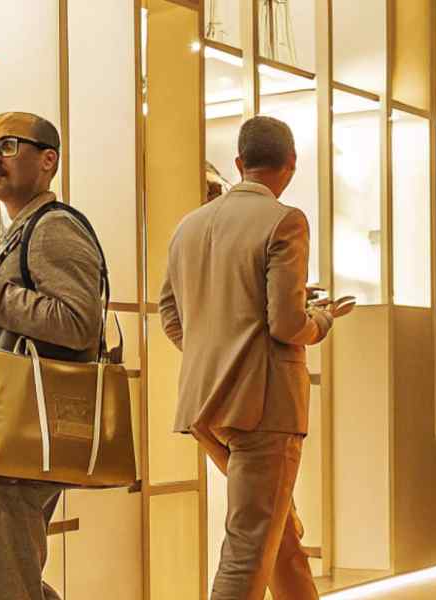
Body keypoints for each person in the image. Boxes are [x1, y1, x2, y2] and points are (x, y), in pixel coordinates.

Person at [160, 116, 354, 600]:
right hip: (264, 405)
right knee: (251, 542)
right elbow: (287, 325)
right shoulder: (286, 219)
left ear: (239, 164)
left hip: (205, 405)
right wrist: (322, 319)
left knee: (279, 531)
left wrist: (219, 347)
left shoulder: (189, 224)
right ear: (291, 165)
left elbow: (171, 314)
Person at [0, 112, 107, 600]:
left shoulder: (53, 227)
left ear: (48, 160)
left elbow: (77, 322)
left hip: (17, 435)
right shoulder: (20, 229)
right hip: (7, 434)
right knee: (11, 576)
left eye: (9, 145)